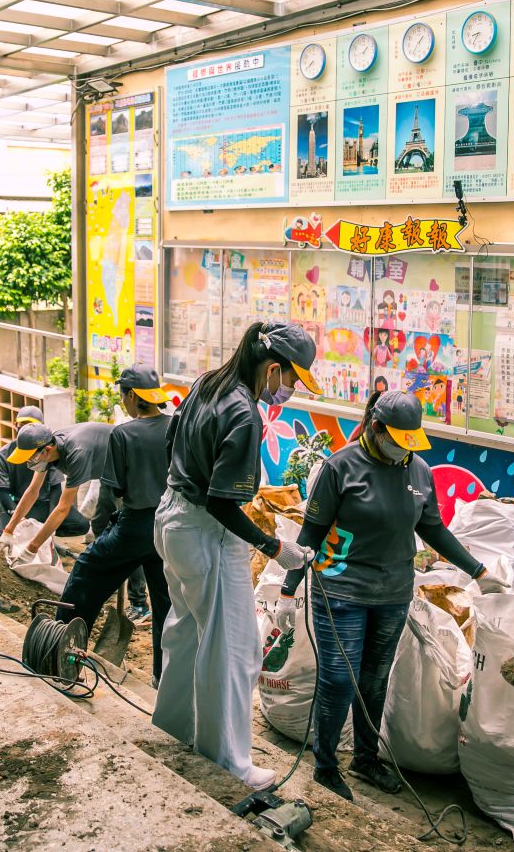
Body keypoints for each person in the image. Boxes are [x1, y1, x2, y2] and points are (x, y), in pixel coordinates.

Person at [277, 390, 511, 801]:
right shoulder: (340, 468)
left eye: (410, 443)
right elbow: (309, 536)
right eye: (396, 441)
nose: (403, 451)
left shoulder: (419, 470)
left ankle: (365, 760)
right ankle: (325, 765)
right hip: (341, 591)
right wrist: (286, 591)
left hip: (393, 594)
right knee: (337, 681)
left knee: (374, 682)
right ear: (375, 428)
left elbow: (433, 528)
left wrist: (479, 571)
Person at [152, 321, 318, 790]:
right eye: (290, 380)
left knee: (185, 630)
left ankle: (173, 728)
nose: (289, 390)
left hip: (172, 516)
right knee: (234, 648)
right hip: (205, 530)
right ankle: (227, 760)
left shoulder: (209, 382)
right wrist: (275, 548)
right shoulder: (245, 414)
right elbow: (224, 502)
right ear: (271, 368)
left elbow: (172, 442)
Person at [56, 365, 172, 680]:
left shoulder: (123, 433)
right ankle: (163, 678)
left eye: (123, 395)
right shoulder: (176, 427)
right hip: (171, 527)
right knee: (166, 604)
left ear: (133, 396)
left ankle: (61, 652)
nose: (123, 401)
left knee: (86, 575)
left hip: (135, 525)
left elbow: (117, 489)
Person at [0, 419, 114, 559]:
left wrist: (32, 548)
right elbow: (33, 490)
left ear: (47, 450)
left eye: (31, 458)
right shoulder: (50, 447)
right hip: (107, 470)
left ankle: (136, 579)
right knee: (100, 524)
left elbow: (63, 508)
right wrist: (8, 531)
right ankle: (113, 573)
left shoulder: (76, 453)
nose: (29, 463)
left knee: (124, 525)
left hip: (127, 467)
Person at [0, 406, 66, 535]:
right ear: (15, 425)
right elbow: (2, 492)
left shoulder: (50, 452)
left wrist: (51, 523)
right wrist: (19, 519)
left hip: (43, 504)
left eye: (31, 426)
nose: (26, 430)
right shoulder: (3, 455)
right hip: (16, 504)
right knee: (1, 534)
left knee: (79, 525)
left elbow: (56, 489)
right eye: (22, 426)